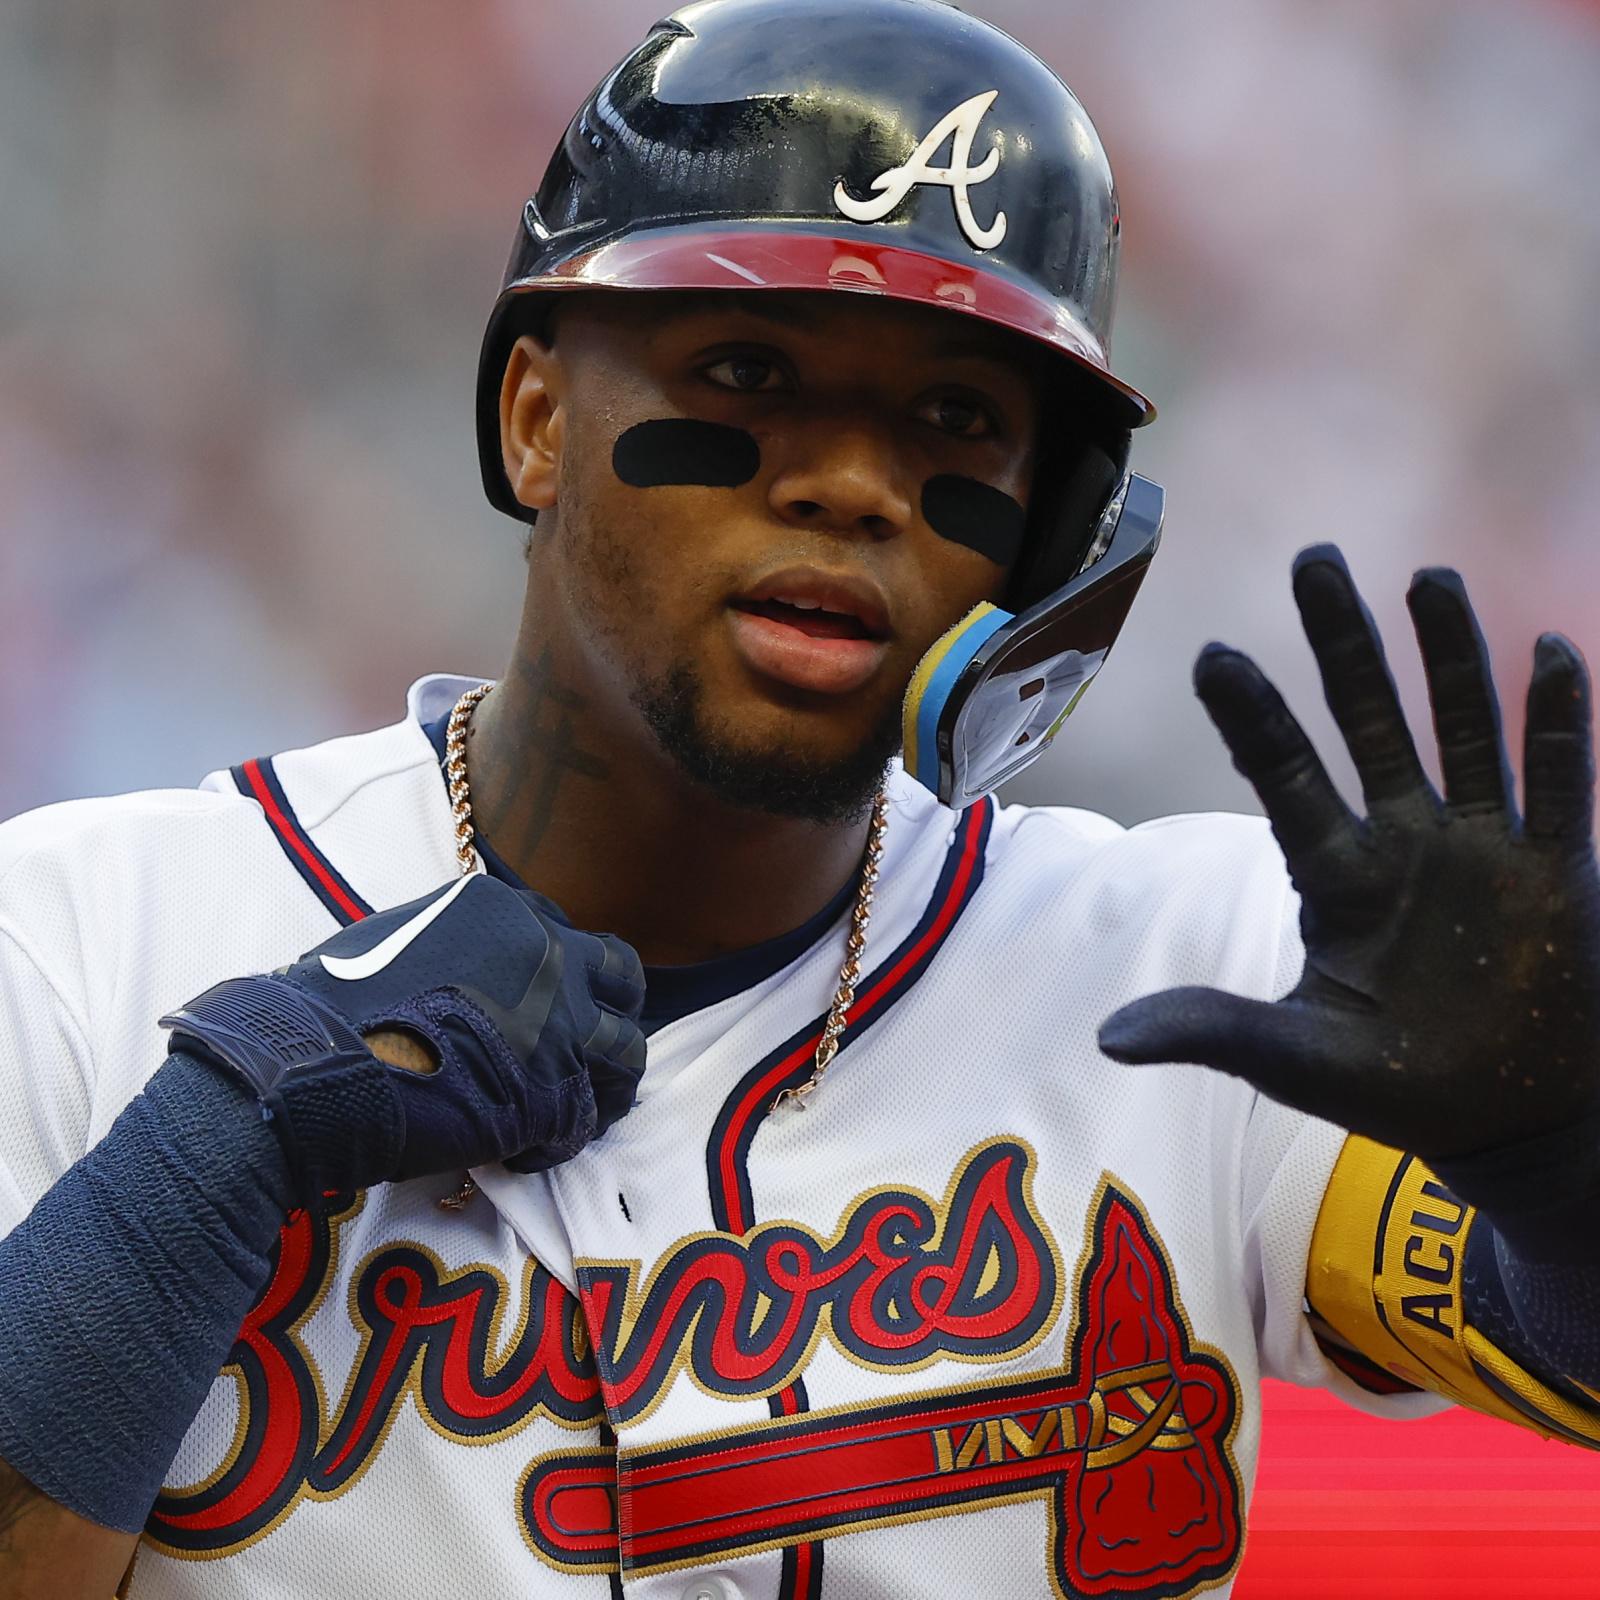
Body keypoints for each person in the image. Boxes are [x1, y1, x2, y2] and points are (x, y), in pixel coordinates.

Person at [2, 3, 1599, 1596]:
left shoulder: (1190, 970)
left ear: (1049, 539)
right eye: (751, 370)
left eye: (958, 419)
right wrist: (194, 1166)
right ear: (537, 417)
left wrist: (1561, 1156)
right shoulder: (86, 944)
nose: (852, 482)